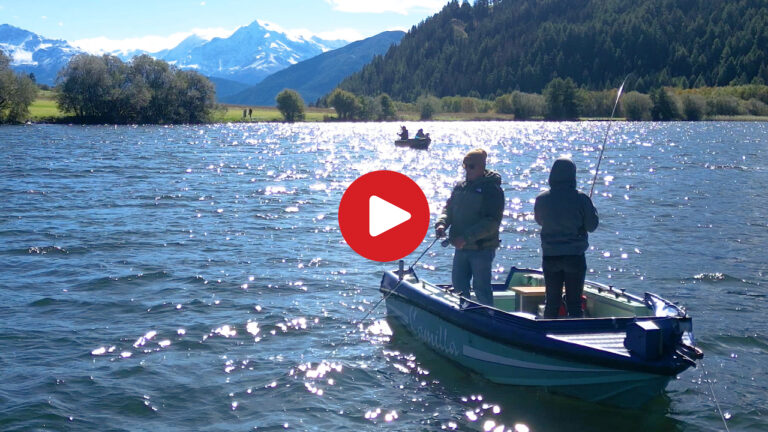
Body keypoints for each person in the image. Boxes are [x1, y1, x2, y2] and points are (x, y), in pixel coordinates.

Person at [435, 149, 504, 306]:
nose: (467, 170)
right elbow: (448, 209)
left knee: (481, 289)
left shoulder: (492, 190)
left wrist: (466, 238)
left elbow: (492, 223)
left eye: (471, 166)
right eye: (465, 166)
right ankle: (463, 314)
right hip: (461, 248)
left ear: (481, 167)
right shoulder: (460, 187)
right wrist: (441, 224)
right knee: (459, 286)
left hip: (481, 250)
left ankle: (488, 319)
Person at [534, 157, 599, 318]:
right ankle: (575, 336)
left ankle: (547, 337)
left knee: (552, 302)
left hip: (550, 256)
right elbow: (592, 226)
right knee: (575, 304)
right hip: (574, 257)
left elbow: (539, 221)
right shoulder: (582, 198)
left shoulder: (541, 198)